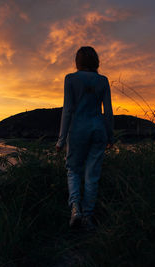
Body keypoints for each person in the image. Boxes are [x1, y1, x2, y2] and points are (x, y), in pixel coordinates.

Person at [56, 46, 114, 231]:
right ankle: (88, 217)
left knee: (73, 170)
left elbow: (68, 110)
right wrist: (110, 135)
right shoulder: (103, 81)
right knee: (92, 175)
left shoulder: (71, 79)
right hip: (98, 129)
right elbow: (109, 112)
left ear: (78, 61)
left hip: (78, 129)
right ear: (96, 61)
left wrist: (61, 139)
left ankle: (75, 209)